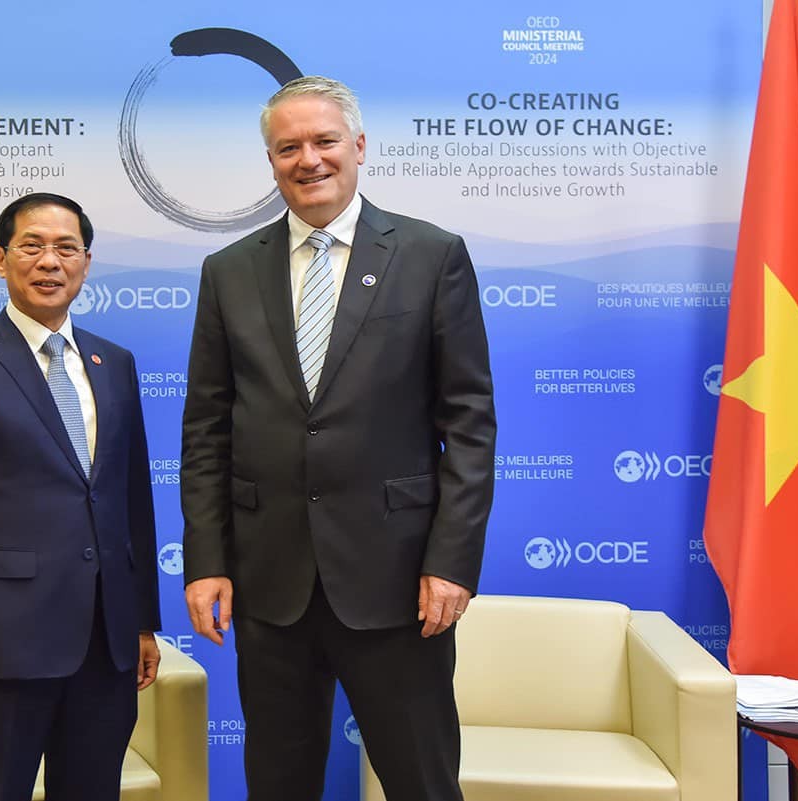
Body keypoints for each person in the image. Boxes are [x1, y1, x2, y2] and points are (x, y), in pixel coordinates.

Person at [181, 76, 496, 801]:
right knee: (279, 782)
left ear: (358, 147)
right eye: (288, 147)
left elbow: (469, 421)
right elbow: (206, 427)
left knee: (420, 779)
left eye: (324, 141)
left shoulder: (431, 254)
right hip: (270, 584)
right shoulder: (228, 271)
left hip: (399, 582)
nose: (308, 159)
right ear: (270, 161)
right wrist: (207, 560)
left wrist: (451, 561)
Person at [0, 192, 162, 801]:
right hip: (5, 651)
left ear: (86, 262)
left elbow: (133, 504)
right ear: (2, 260)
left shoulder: (114, 362)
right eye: (32, 246)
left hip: (106, 648)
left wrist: (143, 622)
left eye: (65, 248)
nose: (50, 261)